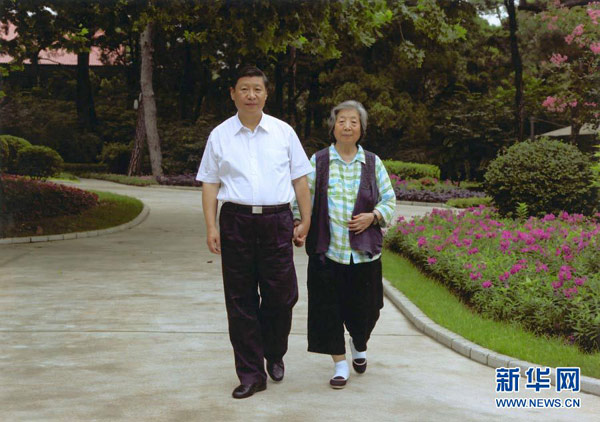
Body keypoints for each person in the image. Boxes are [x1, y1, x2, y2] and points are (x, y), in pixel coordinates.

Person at [196, 65, 312, 399]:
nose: (251, 95)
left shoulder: (283, 132)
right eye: (244, 89)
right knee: (240, 300)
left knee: (282, 296)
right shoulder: (220, 135)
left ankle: (273, 352)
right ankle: (251, 374)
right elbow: (210, 183)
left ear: (266, 94)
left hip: (276, 221)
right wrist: (211, 225)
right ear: (233, 93)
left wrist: (305, 219)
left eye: (257, 89)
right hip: (236, 221)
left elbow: (300, 179)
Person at [294, 100, 395, 389]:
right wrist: (299, 223)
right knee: (328, 311)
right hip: (327, 252)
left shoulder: (373, 162)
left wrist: (373, 216)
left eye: (353, 121)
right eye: (342, 121)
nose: (347, 126)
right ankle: (339, 364)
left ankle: (359, 343)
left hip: (364, 256)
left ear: (361, 128)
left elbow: (389, 200)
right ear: (333, 127)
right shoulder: (318, 161)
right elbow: (302, 197)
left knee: (369, 310)